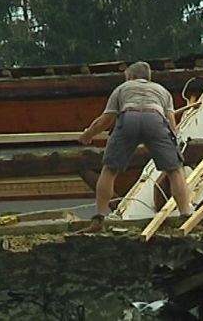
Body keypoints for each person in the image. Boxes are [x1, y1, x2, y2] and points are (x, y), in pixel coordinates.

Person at [78, 61, 191, 229]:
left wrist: (87, 135)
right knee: (175, 169)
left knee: (109, 169)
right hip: (155, 119)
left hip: (128, 117)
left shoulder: (122, 89)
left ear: (130, 77)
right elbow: (171, 123)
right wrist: (171, 143)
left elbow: (105, 120)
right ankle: (185, 214)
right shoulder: (162, 91)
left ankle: (99, 217)